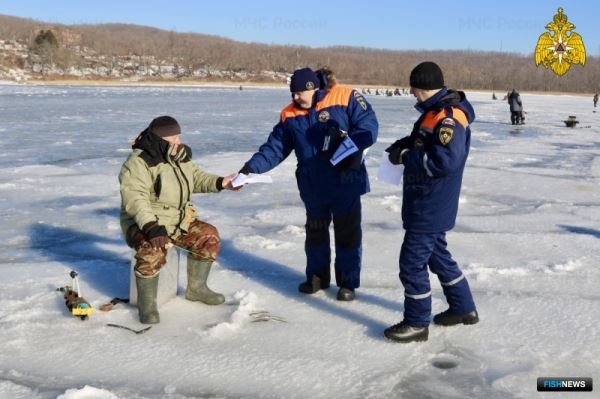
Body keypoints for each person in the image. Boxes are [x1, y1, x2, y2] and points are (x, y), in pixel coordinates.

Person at [239, 67, 378, 301]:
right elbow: (275, 148)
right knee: (315, 233)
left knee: (347, 234)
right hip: (313, 185)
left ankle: (347, 283)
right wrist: (250, 169)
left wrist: (349, 146)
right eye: (292, 93)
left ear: (312, 88)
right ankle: (317, 276)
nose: (294, 97)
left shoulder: (346, 96)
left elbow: (368, 127)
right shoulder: (289, 115)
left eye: (298, 93)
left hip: (346, 182)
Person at [383, 62, 478, 343]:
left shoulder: (449, 117)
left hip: (430, 203)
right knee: (438, 257)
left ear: (422, 85)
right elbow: (422, 141)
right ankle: (463, 308)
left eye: (413, 87)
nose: (411, 92)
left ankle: (416, 322)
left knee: (411, 264)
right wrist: (402, 146)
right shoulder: (433, 113)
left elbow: (444, 161)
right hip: (428, 201)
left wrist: (406, 158)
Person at [119, 115, 238, 324]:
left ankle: (197, 289)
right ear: (159, 140)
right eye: (173, 138)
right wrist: (151, 227)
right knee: (152, 250)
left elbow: (196, 178)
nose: (178, 143)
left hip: (178, 221)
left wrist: (222, 182)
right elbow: (135, 199)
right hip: (144, 222)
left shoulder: (178, 156)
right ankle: (147, 306)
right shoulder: (138, 163)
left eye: (178, 137)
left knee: (208, 236)